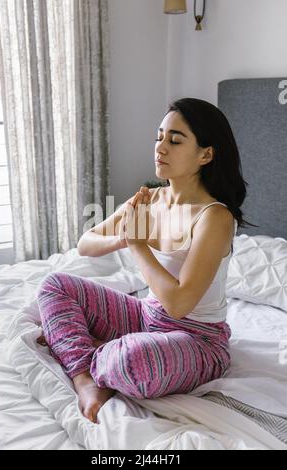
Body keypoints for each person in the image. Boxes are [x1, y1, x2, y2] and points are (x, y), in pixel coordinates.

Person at [37, 98, 250, 425]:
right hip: (146, 316)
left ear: (206, 155)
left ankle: (85, 348)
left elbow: (179, 304)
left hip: (198, 340)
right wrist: (124, 236)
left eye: (175, 140)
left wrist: (138, 245)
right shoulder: (150, 197)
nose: (161, 147)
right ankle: (84, 376)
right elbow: (85, 244)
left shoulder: (215, 217)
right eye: (159, 137)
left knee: (132, 363)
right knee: (54, 285)